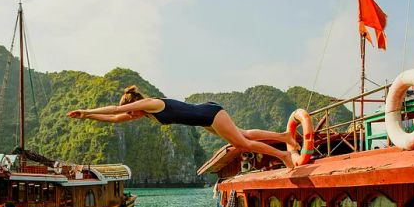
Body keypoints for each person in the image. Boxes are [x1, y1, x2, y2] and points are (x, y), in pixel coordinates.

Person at [66, 85, 300, 168]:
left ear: (135, 104)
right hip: (205, 119)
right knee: (244, 134)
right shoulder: (145, 114)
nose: (130, 115)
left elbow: (116, 111)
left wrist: (88, 110)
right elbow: (116, 119)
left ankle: (283, 156)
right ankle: (285, 137)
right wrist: (87, 118)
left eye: (131, 111)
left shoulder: (152, 104)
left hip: (210, 114)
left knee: (242, 143)